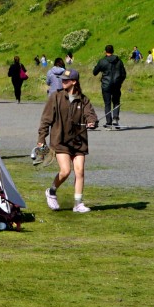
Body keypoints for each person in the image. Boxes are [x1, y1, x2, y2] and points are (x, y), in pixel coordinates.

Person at [37, 68, 96, 213]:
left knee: (80, 171)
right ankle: (51, 192)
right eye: (62, 79)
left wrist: (92, 121)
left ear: (74, 82)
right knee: (65, 171)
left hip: (79, 141)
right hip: (60, 141)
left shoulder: (83, 99)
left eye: (66, 80)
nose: (63, 81)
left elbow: (90, 114)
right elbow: (46, 119)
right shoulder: (55, 97)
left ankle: (78, 204)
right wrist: (41, 138)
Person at [92, 44, 127, 129]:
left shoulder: (102, 61)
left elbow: (94, 72)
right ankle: (115, 117)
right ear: (113, 51)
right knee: (116, 101)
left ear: (105, 51)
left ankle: (109, 122)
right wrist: (120, 81)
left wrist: (99, 68)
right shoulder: (119, 61)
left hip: (106, 84)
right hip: (116, 84)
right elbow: (123, 74)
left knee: (107, 103)